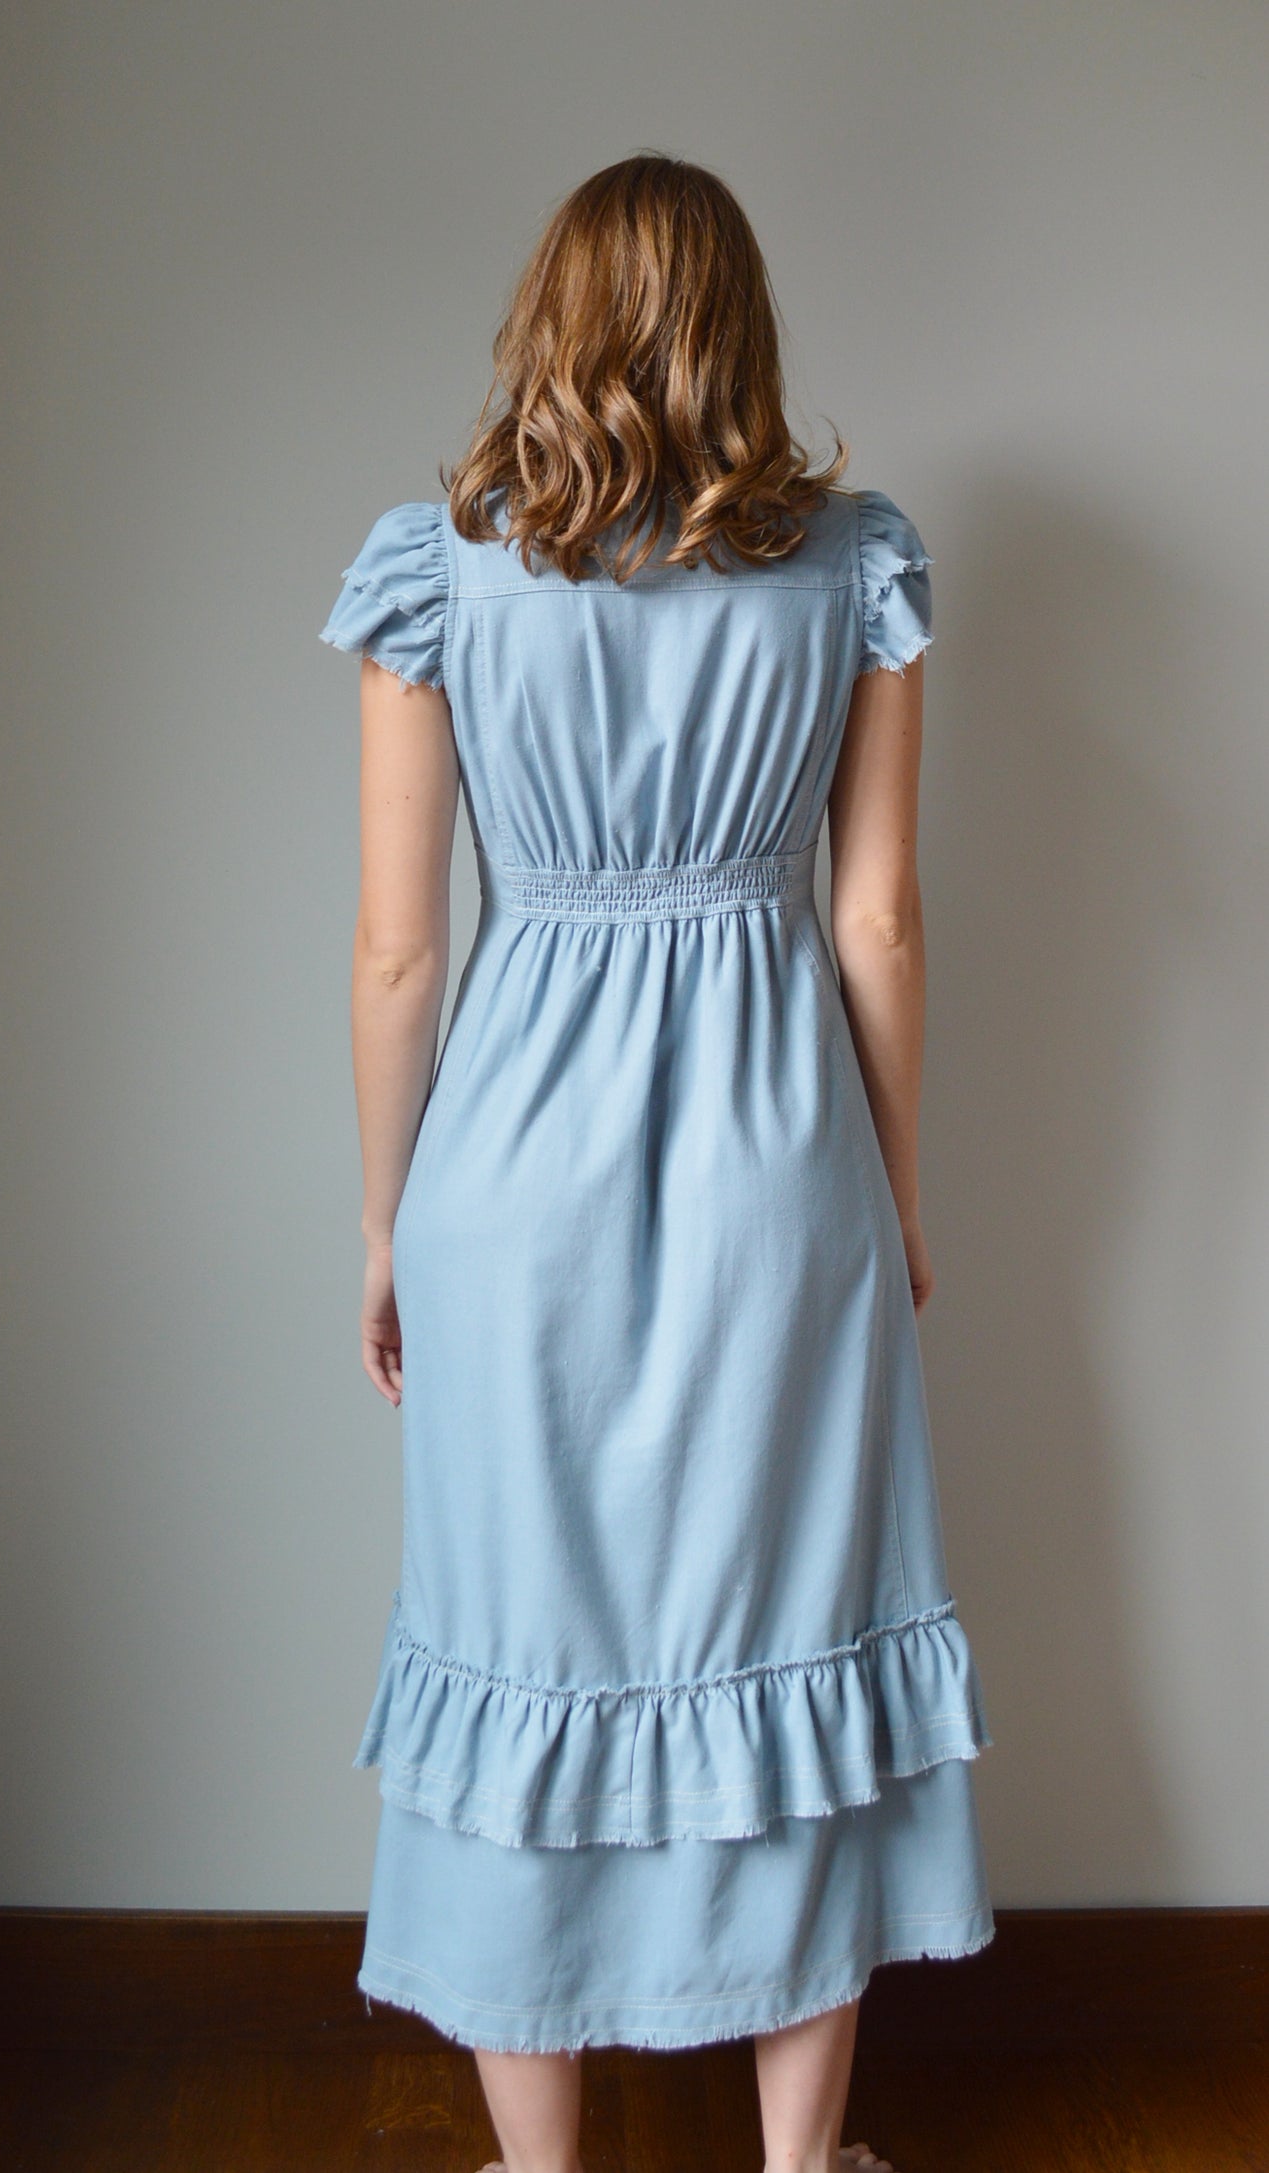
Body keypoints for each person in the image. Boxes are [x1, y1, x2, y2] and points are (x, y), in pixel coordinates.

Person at [319, 151, 994, 2173]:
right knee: (787, 1639)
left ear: (553, 317)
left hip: (503, 1171)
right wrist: (891, 1191)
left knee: (519, 1643)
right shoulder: (851, 563)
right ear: (744, 329)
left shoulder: (440, 569)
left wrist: (382, 1224)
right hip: (780, 1163)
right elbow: (874, 923)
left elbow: (397, 945)